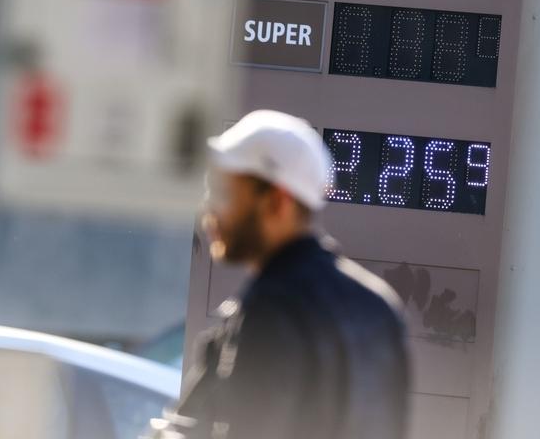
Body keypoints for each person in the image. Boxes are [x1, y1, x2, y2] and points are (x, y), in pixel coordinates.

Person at [148, 110, 409, 439]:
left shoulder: (270, 310)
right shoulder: (380, 307)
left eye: (223, 192)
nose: (208, 209)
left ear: (278, 202)